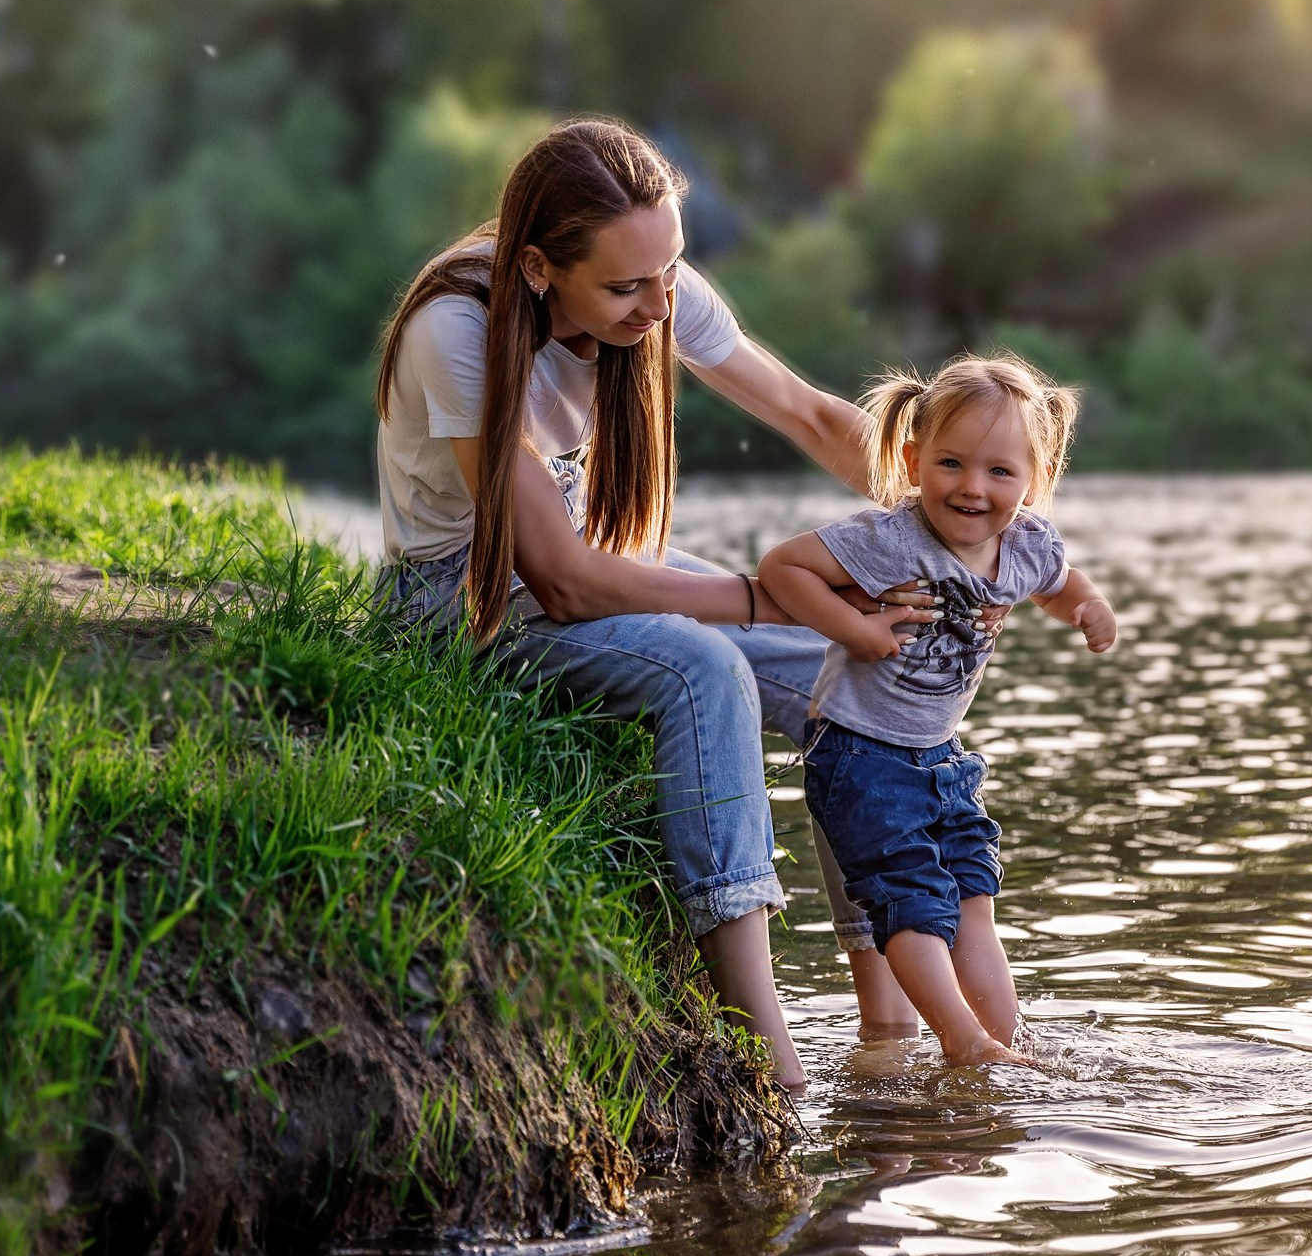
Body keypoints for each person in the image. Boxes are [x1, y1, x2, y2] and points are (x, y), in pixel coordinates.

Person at [371, 117, 945, 1093]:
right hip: (456, 594)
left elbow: (810, 414)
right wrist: (767, 597)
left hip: (582, 553)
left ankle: (887, 1033)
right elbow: (558, 577)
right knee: (702, 667)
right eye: (627, 287)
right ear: (542, 269)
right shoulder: (455, 329)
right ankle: (768, 1057)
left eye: (669, 271)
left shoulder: (652, 284)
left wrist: (961, 533)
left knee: (843, 671)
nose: (660, 304)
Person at [758, 354, 1118, 1067]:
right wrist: (856, 628)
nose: (973, 487)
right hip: (860, 753)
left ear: (1035, 479)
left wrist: (1088, 607)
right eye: (951, 463)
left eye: (1000, 471)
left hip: (943, 759)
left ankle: (1007, 1044)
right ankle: (960, 1037)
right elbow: (783, 568)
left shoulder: (1025, 544)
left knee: (972, 897)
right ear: (913, 460)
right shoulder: (892, 539)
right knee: (913, 901)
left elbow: (1058, 583)